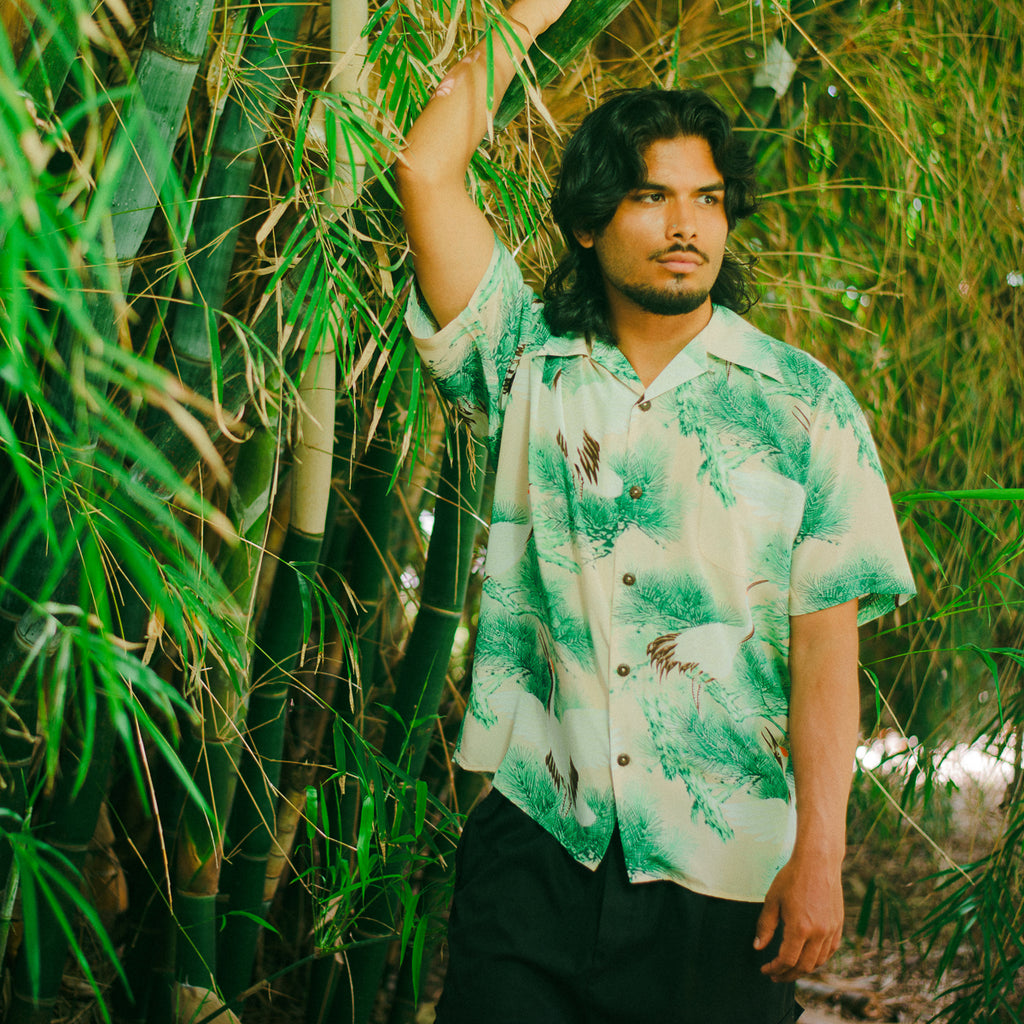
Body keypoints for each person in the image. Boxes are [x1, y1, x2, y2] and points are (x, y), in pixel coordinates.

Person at [396, 1, 915, 1020]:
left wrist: (820, 851)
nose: (686, 226)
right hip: (535, 845)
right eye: (651, 197)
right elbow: (425, 170)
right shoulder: (524, 362)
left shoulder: (805, 408)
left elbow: (825, 649)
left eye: (707, 200)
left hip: (722, 869)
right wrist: (526, 16)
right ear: (588, 222)